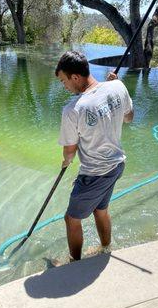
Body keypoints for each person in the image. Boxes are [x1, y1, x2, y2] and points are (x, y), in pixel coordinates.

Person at [56, 51, 133, 261]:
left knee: (71, 219)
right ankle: (106, 248)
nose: (64, 86)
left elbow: (70, 151)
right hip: (117, 166)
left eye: (64, 81)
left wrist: (66, 161)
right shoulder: (117, 86)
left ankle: (74, 263)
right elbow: (129, 117)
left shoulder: (72, 109)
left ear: (75, 77)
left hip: (95, 173)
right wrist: (114, 89)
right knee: (101, 210)